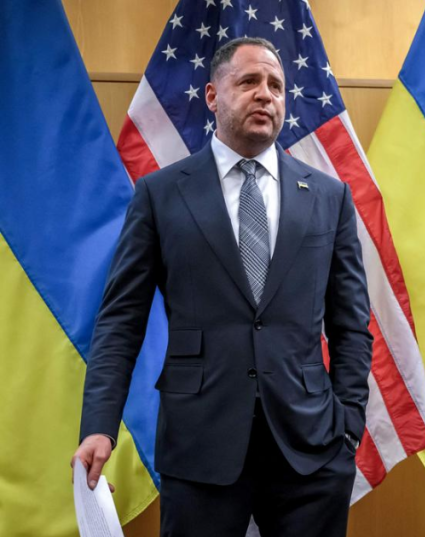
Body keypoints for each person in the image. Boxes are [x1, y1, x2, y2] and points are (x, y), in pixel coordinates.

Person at [72, 37, 372, 537]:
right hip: (199, 447)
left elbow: (351, 324)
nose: (266, 94)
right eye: (249, 81)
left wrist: (348, 427)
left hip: (312, 451)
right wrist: (100, 425)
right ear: (213, 96)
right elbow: (121, 321)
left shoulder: (329, 197)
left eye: (276, 85)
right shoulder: (160, 194)